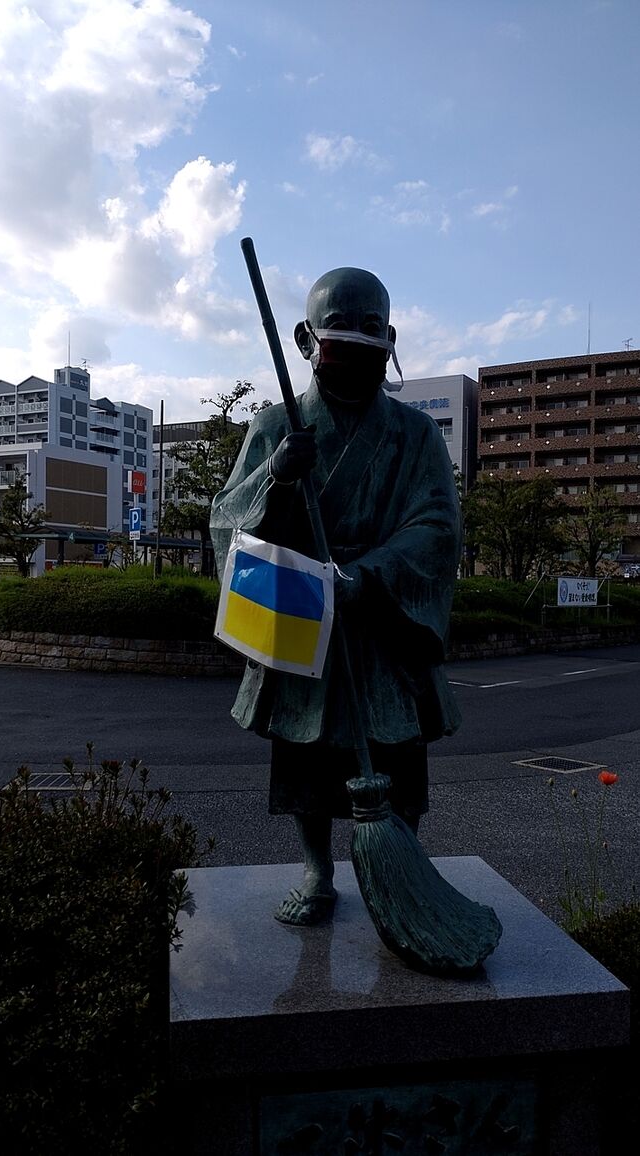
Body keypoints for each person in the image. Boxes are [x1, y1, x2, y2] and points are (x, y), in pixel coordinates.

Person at [210, 267, 462, 925]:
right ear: (305, 340)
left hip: (383, 621)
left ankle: (398, 868)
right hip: (305, 619)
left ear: (391, 346)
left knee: (398, 758)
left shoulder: (416, 435)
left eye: (370, 350)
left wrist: (370, 574)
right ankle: (317, 871)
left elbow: (437, 525)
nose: (355, 361)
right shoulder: (273, 428)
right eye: (339, 346)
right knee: (307, 760)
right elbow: (226, 519)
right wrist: (276, 476)